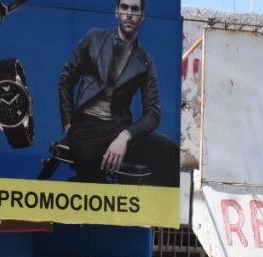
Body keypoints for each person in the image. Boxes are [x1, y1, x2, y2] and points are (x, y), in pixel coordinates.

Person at [56, 0, 179, 186]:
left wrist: (125, 136)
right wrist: (67, 124)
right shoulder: (94, 38)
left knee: (169, 150)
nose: (129, 13)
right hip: (85, 127)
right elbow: (66, 79)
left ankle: (150, 211)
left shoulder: (145, 60)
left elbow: (153, 112)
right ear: (117, 12)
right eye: (124, 7)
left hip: (119, 127)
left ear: (142, 16)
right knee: (93, 178)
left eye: (135, 9)